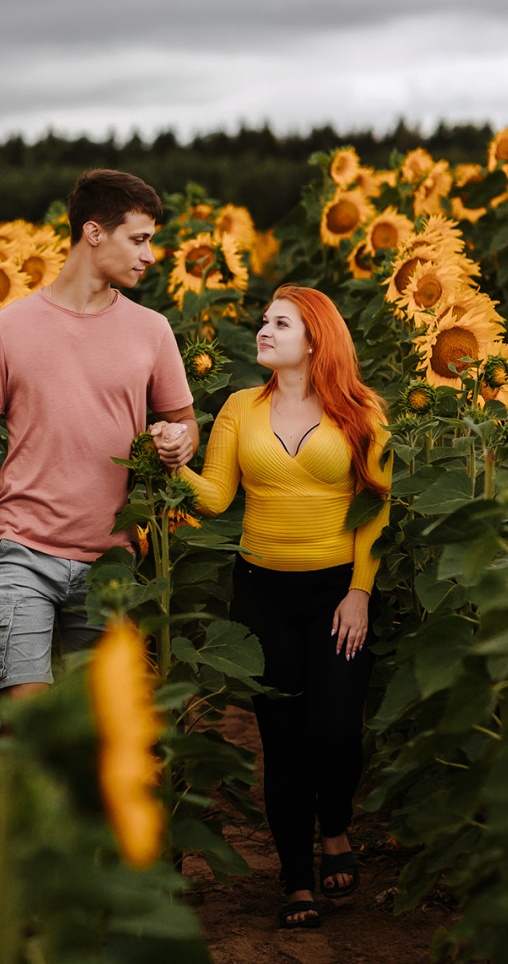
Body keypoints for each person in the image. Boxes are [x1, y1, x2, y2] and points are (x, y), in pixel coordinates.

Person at [162, 283, 390, 929]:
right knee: (282, 739)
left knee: (337, 730)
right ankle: (296, 878)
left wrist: (359, 593)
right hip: (262, 591)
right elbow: (213, 499)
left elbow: (377, 511)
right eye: (264, 321)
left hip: (336, 593)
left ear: (314, 338)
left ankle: (337, 826)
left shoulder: (363, 410)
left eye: (280, 322)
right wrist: (172, 459)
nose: (264, 330)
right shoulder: (240, 407)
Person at [0, 168, 198, 698]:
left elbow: (184, 420)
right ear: (94, 232)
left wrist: (181, 440)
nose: (150, 256)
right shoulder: (9, 327)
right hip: (20, 551)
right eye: (139, 239)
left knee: (93, 735)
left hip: (113, 559)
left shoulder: (152, 330)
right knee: (25, 723)